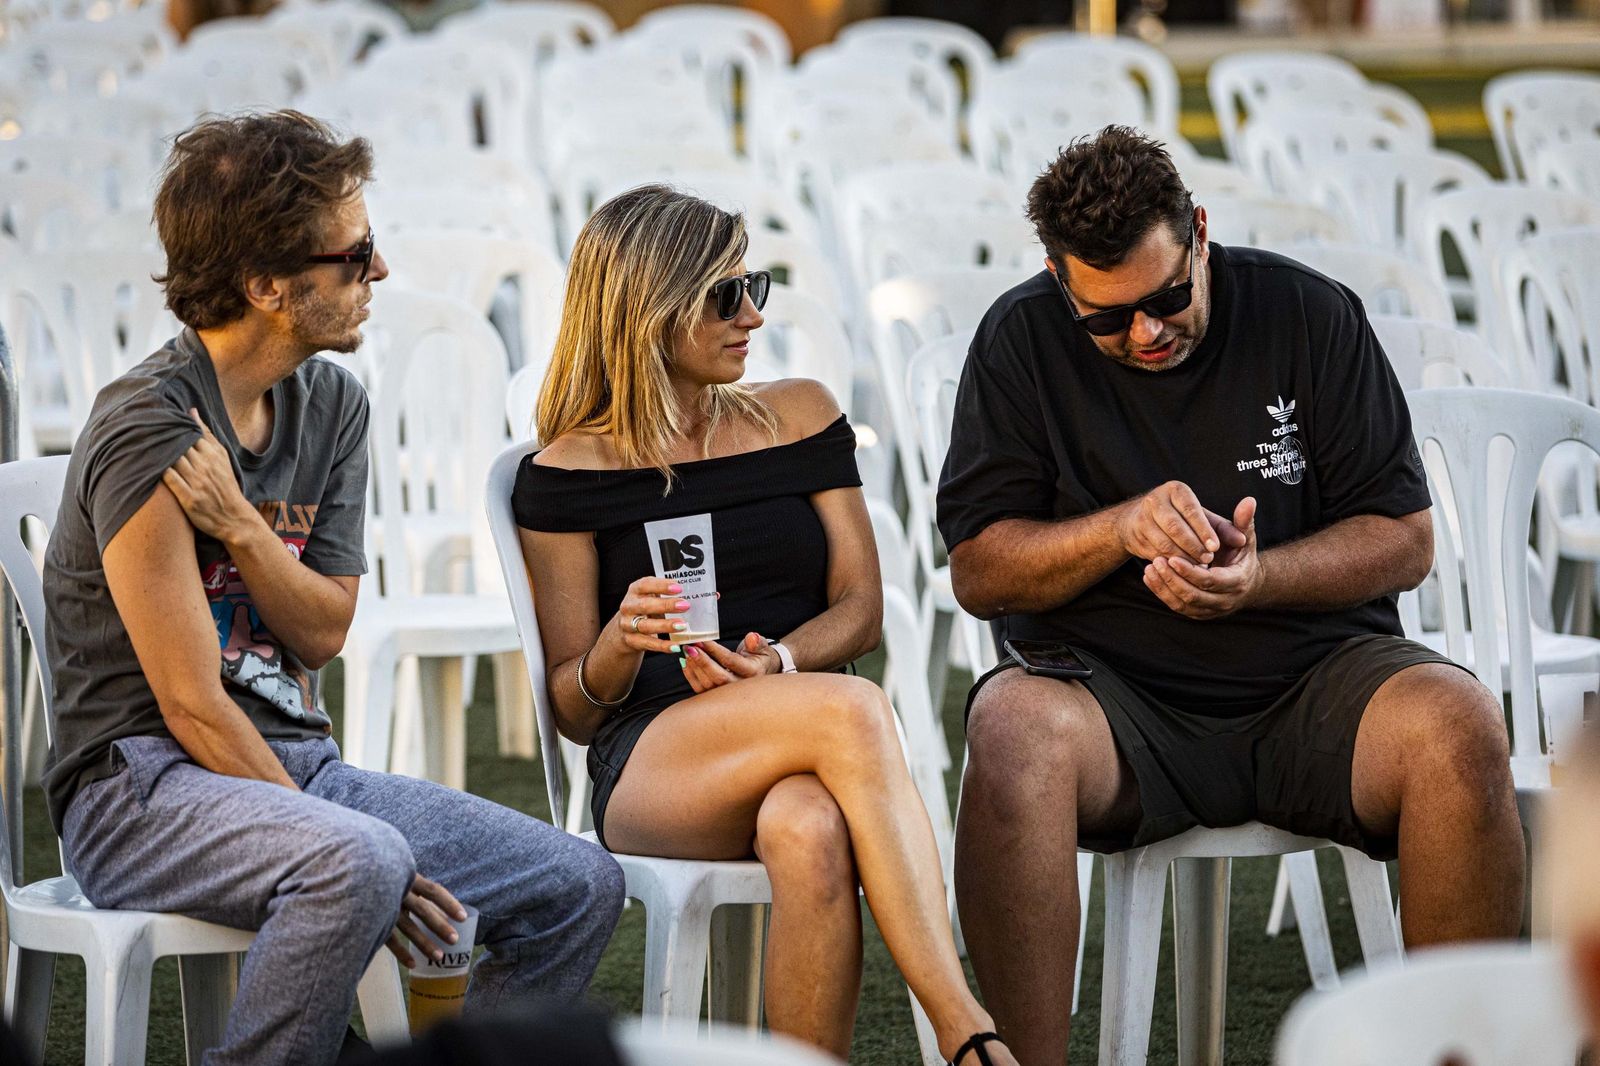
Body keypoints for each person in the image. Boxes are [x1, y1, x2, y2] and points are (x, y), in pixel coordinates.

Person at [41, 111, 624, 1066]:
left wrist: (236, 525)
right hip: (139, 791)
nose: (379, 273)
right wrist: (343, 838)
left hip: (296, 766)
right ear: (268, 285)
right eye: (354, 255)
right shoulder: (146, 429)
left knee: (578, 883)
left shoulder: (333, 402)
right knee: (359, 861)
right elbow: (189, 706)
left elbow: (322, 632)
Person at [938, 126, 1525, 1061]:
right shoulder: (1019, 340)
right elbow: (978, 569)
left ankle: (1470, 1051)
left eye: (1168, 296)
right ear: (1059, 278)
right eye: (1107, 318)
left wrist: (1260, 580)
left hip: (1316, 678)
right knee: (1009, 732)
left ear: (1200, 232)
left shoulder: (1305, 312)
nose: (1145, 331)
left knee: (1459, 725)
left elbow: (1405, 539)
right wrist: (1119, 528)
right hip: (1111, 698)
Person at [512, 185, 1015, 1066]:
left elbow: (861, 608)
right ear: (644, 311)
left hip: (799, 724)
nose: (750, 314)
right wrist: (614, 648)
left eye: (755, 286)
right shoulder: (569, 470)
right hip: (657, 761)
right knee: (855, 712)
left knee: (809, 827)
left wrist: (779, 661)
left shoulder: (803, 413)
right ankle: (964, 1032)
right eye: (721, 296)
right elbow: (574, 710)